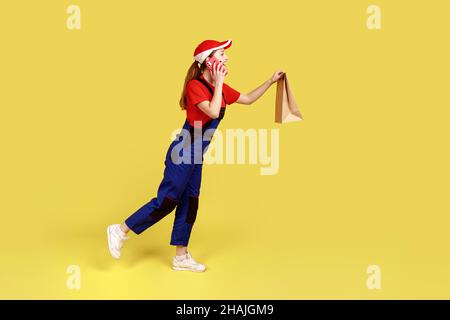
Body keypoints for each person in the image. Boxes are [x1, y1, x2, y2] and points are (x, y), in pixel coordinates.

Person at [107, 39, 284, 272]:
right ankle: (120, 229)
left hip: (197, 154)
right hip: (183, 151)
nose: (226, 58)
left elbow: (248, 99)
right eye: (221, 54)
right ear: (208, 61)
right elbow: (211, 110)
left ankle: (181, 257)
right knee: (168, 201)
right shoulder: (195, 86)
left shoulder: (217, 88)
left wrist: (270, 81)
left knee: (190, 203)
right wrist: (220, 82)